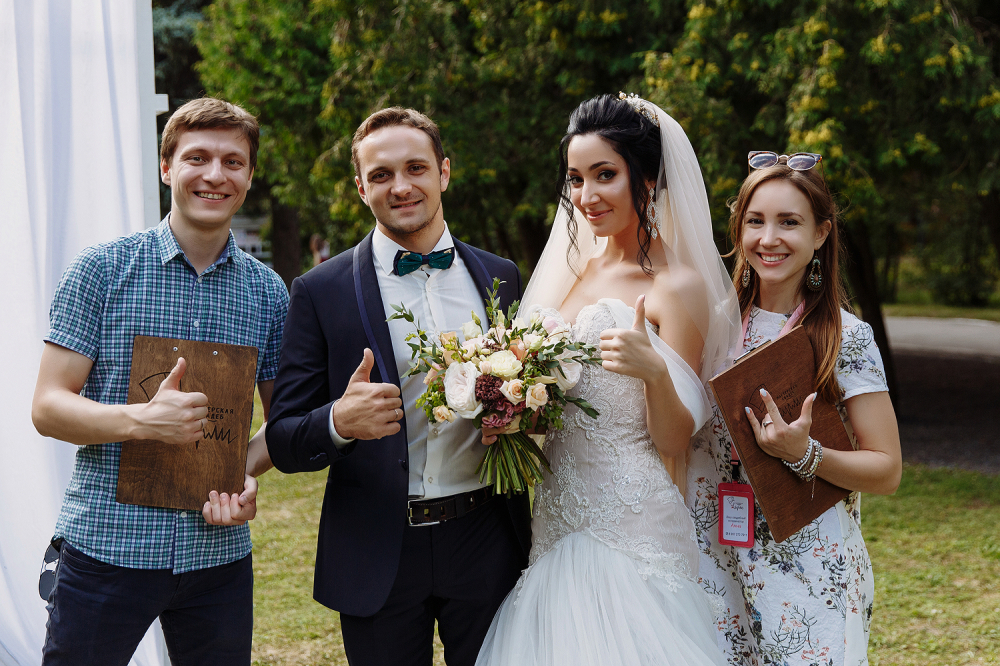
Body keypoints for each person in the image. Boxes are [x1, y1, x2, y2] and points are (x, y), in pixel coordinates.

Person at [475, 93, 740, 665]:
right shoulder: (570, 274)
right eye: (575, 178)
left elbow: (675, 441)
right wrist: (509, 410)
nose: (587, 196)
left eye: (604, 176)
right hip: (553, 517)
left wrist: (653, 372)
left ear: (645, 182)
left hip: (630, 522)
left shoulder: (678, 286)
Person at [265, 107, 532, 666]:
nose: (402, 186)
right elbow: (285, 439)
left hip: (487, 538)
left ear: (445, 172)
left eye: (416, 168)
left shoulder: (501, 276)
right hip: (377, 547)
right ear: (360, 187)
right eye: (381, 175)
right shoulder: (321, 290)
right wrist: (338, 422)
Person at [30, 97, 289, 665]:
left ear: (249, 175)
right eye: (198, 157)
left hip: (216, 557)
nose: (215, 175)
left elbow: (282, 423)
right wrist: (141, 420)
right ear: (167, 167)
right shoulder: (101, 270)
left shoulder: (269, 293)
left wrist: (241, 474)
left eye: (233, 161)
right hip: (106, 548)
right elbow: (48, 407)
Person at [686, 152, 903, 665]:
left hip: (810, 567)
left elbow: (887, 470)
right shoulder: (710, 327)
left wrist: (804, 453)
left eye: (790, 222)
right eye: (755, 221)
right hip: (717, 559)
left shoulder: (844, 337)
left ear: (821, 234)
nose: (769, 238)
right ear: (738, 229)